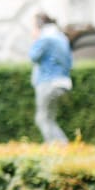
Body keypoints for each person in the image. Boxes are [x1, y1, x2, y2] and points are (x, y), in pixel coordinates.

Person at [29, 11, 74, 145]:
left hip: (47, 82)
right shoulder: (61, 37)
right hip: (62, 82)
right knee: (49, 118)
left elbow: (33, 56)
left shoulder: (45, 38)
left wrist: (35, 38)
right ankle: (61, 145)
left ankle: (57, 145)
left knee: (42, 118)